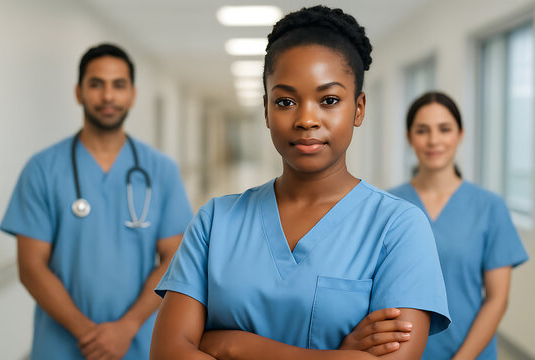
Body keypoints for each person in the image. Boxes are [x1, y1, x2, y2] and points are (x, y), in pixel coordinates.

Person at [150, 6, 450, 360]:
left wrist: (232, 346)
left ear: (359, 108)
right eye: (286, 101)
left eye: (329, 100)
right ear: (266, 110)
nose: (307, 119)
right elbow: (168, 352)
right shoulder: (215, 221)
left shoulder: (399, 227)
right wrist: (337, 356)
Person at [0, 43, 193, 359]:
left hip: (138, 342)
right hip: (62, 346)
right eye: (96, 84)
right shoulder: (43, 168)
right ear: (78, 92)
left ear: (132, 94)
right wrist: (89, 334)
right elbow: (31, 266)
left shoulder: (160, 170)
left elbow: (174, 259)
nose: (107, 97)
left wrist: (125, 328)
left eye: (118, 85)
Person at [388, 91, 529, 360]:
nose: (433, 140)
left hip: (470, 352)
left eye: (444, 129)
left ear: (460, 135)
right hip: (402, 352)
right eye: (422, 130)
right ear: (409, 137)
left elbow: (497, 299)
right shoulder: (389, 205)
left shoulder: (489, 207)